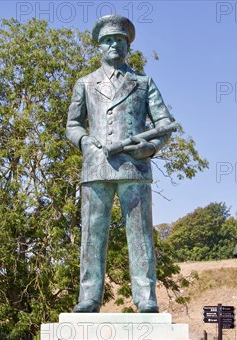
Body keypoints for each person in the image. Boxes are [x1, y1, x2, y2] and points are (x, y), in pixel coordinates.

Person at [66, 15, 174, 313]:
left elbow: (164, 124)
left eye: (120, 40)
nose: (115, 44)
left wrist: (150, 147)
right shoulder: (85, 83)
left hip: (134, 167)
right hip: (96, 166)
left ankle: (145, 297)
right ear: (99, 46)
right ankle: (88, 297)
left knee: (140, 235)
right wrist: (85, 143)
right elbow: (72, 125)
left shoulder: (143, 83)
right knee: (92, 235)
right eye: (109, 40)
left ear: (128, 47)